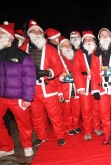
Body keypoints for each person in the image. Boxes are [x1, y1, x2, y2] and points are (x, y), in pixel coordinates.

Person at [20, 20, 66, 146]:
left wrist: (47, 72)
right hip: (31, 89)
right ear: (29, 34)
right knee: (36, 115)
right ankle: (41, 136)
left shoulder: (50, 49)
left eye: (39, 31)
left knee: (55, 114)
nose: (37, 33)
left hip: (48, 87)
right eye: (33, 31)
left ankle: (60, 135)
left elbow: (58, 67)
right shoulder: (21, 50)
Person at [0, 21, 36, 157]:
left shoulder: (22, 57)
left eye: (1, 33)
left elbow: (29, 79)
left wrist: (28, 97)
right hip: (1, 96)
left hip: (18, 97)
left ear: (10, 37)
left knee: (24, 124)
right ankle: (6, 146)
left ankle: (27, 146)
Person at [72, 30, 101, 140]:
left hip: (97, 84)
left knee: (97, 108)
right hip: (85, 84)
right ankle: (87, 130)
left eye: (90, 39)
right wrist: (80, 87)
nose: (88, 41)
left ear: (94, 40)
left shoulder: (99, 51)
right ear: (83, 41)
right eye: (86, 39)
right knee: (86, 109)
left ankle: (97, 127)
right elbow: (76, 71)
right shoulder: (79, 53)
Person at [58, 36, 81, 135]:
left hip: (75, 87)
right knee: (66, 108)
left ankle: (75, 125)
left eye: (69, 45)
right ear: (60, 47)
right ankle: (68, 126)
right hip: (64, 88)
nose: (67, 47)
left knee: (76, 107)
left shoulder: (75, 57)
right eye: (64, 45)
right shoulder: (57, 58)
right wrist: (58, 90)